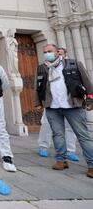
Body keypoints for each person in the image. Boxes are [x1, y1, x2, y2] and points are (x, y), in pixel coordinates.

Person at [34, 44, 93, 177]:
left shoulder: (74, 64)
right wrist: (38, 102)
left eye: (49, 51)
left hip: (73, 106)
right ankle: (61, 160)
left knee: (83, 136)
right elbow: (37, 86)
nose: (46, 54)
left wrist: (90, 100)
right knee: (58, 135)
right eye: (45, 52)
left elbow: (88, 84)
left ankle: (91, 164)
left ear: (57, 53)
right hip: (52, 107)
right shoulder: (42, 68)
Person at [37, 47, 79, 161]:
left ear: (65, 55)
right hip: (51, 103)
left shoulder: (71, 67)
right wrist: (40, 101)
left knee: (69, 127)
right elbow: (39, 86)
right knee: (46, 125)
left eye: (61, 53)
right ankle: (43, 147)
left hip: (68, 103)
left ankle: (70, 150)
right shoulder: (45, 67)